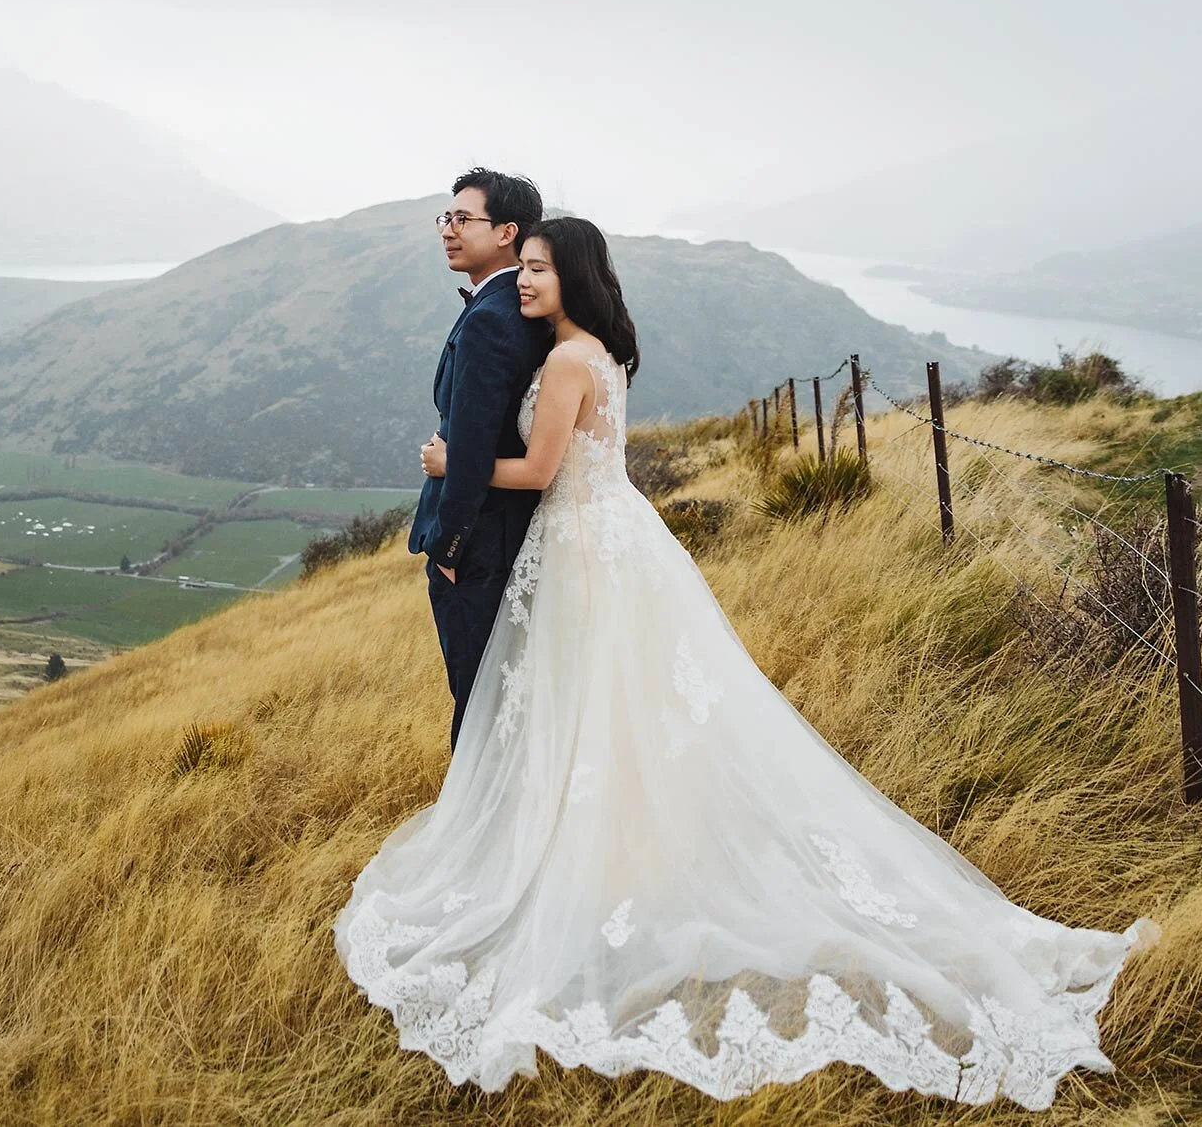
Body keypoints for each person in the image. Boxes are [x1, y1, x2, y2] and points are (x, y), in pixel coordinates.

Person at [337, 215, 1154, 1108]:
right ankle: (622, 856)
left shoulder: (570, 361)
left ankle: (598, 866)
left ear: (571, 273)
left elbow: (537, 471)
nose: (525, 281)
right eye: (521, 267)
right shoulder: (602, 352)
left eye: (537, 268)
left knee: (591, 709)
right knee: (620, 712)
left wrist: (454, 459)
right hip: (611, 542)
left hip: (582, 549)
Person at [408, 169, 554, 748]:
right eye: (446, 218)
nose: (448, 230)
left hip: (477, 545)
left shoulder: (493, 319)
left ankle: (479, 827)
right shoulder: (520, 307)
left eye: (463, 219)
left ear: (506, 232)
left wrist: (448, 547)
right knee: (502, 694)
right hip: (504, 533)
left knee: (479, 704)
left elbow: (472, 445)